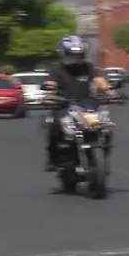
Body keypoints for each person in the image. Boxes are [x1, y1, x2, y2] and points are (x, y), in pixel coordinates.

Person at [42, 34, 111, 170]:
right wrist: (50, 94)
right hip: (63, 104)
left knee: (105, 125)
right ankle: (53, 158)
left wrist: (110, 92)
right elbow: (50, 83)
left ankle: (102, 151)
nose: (76, 57)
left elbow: (98, 80)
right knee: (55, 125)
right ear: (62, 52)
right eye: (71, 54)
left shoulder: (88, 66)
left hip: (87, 104)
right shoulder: (56, 68)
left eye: (79, 54)